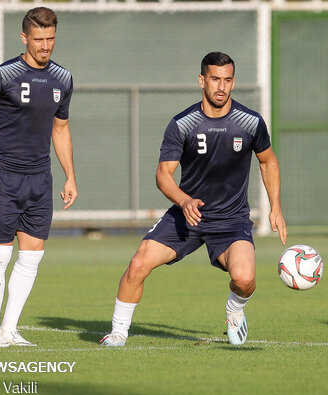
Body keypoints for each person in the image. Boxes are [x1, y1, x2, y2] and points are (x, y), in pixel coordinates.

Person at [100, 51, 286, 347]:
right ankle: (119, 333)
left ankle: (234, 311)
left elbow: (268, 162)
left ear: (233, 82)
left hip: (230, 219)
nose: (221, 87)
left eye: (227, 80)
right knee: (138, 264)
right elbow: (163, 175)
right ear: (202, 80)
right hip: (186, 216)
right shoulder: (182, 124)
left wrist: (276, 207)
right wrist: (184, 201)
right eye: (215, 79)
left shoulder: (250, 122)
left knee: (244, 279)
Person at [0, 7, 77, 347]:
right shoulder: (2, 74)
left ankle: (10, 330)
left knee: (31, 257)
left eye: (51, 39)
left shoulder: (64, 79)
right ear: (24, 37)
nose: (45, 46)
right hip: (2, 174)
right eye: (39, 39)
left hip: (40, 179)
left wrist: (70, 175)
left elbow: (61, 129)